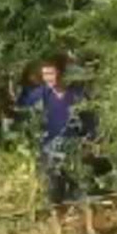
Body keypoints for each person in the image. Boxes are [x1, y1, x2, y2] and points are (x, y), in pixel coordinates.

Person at [16, 58, 98, 204]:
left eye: (51, 73)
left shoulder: (77, 95)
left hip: (74, 146)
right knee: (53, 189)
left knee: (78, 186)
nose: (48, 78)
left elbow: (90, 118)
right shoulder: (40, 94)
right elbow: (23, 112)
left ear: (61, 74)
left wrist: (90, 140)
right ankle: (55, 216)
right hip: (49, 147)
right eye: (45, 74)